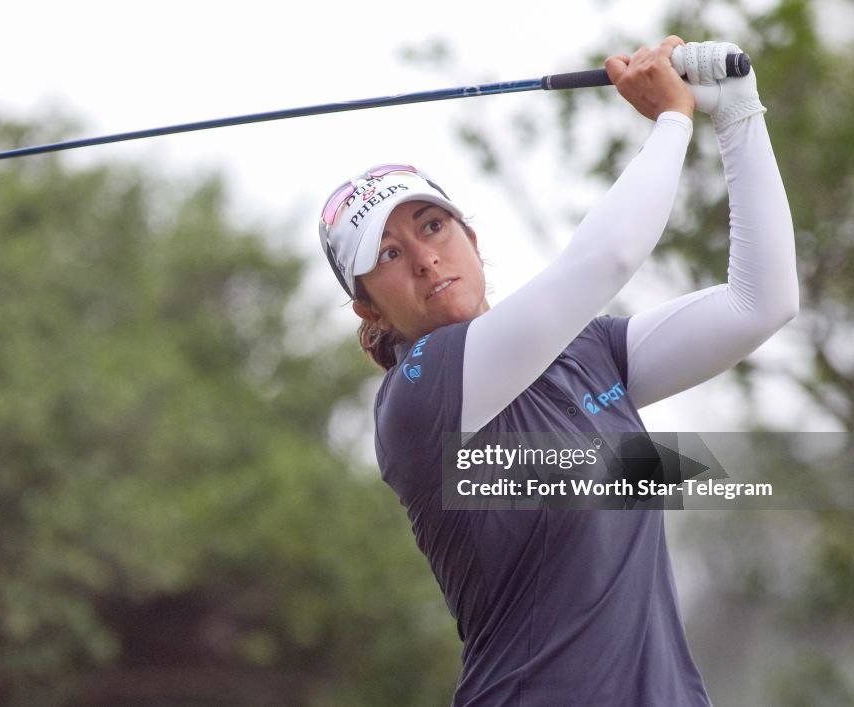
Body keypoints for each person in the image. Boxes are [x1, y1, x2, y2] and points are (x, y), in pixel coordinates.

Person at [316, 36, 798, 705]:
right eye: (390, 253)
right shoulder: (420, 397)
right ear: (369, 308)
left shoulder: (586, 353)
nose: (424, 258)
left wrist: (740, 114)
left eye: (431, 226)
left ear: (472, 238)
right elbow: (605, 258)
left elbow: (760, 303)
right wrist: (672, 119)